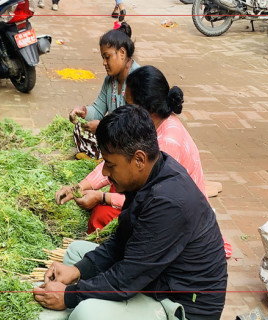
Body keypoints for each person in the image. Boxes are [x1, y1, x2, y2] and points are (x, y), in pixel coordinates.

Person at [34, 105, 228, 320]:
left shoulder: (168, 202)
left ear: (138, 159)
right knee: (75, 253)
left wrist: (70, 296)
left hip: (182, 307)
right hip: (156, 277)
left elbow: (127, 279)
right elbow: (121, 242)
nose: (106, 172)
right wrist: (77, 271)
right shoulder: (152, 172)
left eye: (109, 164)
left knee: (87, 313)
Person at [56, 65, 204, 234]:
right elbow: (113, 161)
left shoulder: (169, 142)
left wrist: (101, 197)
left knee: (103, 214)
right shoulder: (146, 125)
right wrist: (79, 187)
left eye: (128, 104)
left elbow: (151, 199)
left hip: (177, 219)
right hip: (154, 198)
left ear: (146, 107)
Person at [68, 22, 139, 160]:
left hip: (131, 137)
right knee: (79, 129)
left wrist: (103, 127)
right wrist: (83, 111)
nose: (104, 63)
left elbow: (135, 125)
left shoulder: (137, 79)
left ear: (122, 53)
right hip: (113, 134)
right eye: (103, 58)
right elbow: (98, 110)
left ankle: (104, 159)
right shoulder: (110, 80)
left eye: (107, 57)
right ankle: (102, 158)